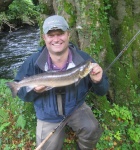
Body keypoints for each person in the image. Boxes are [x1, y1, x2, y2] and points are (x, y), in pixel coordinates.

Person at [14, 15, 109, 150]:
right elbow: (22, 94)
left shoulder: (84, 59)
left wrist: (98, 81)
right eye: (51, 35)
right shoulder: (32, 62)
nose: (56, 39)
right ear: (44, 38)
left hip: (76, 107)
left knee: (92, 129)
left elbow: (102, 91)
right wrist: (35, 91)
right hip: (47, 114)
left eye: (60, 34)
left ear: (68, 35)